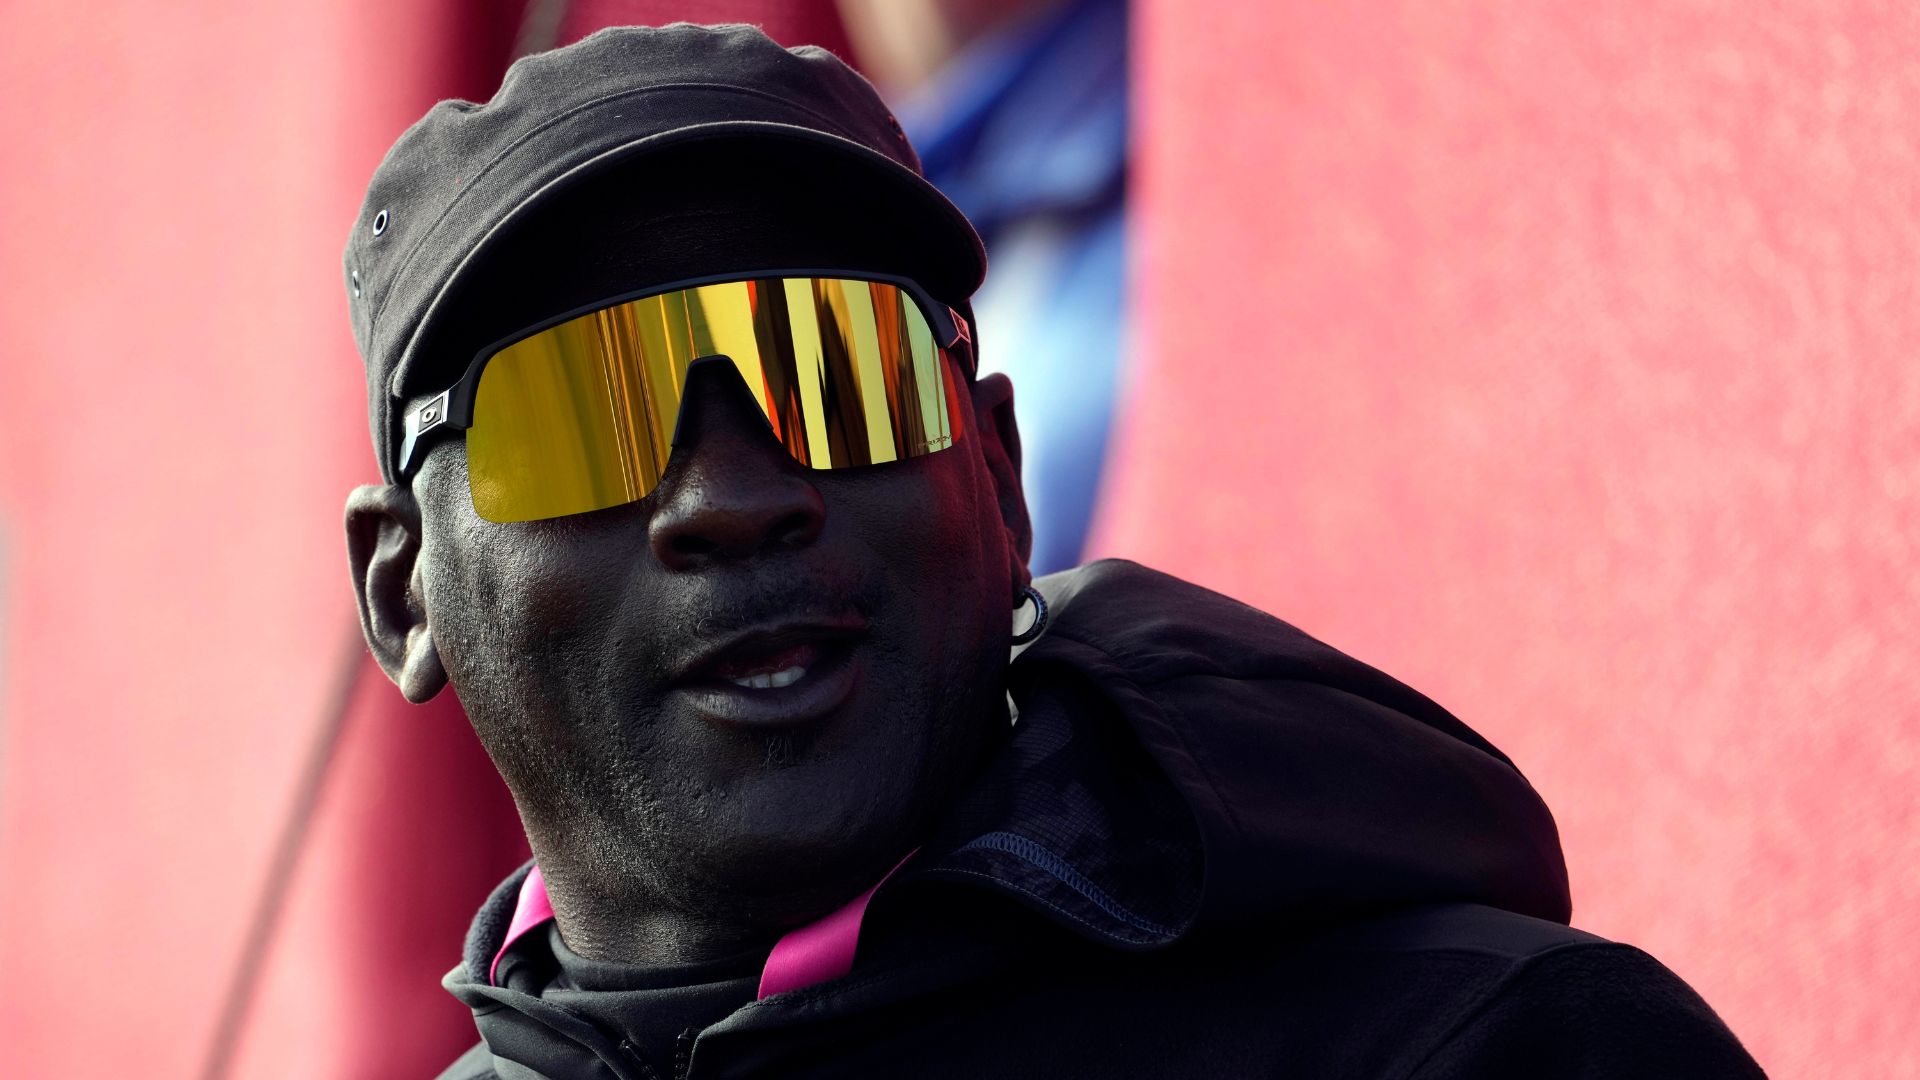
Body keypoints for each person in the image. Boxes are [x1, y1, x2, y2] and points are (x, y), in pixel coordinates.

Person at [342, 23, 1766, 1079]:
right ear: (404, 594)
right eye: (583, 415)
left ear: (1000, 481)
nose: (731, 495)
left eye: (844, 373)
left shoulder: (1493, 1053)